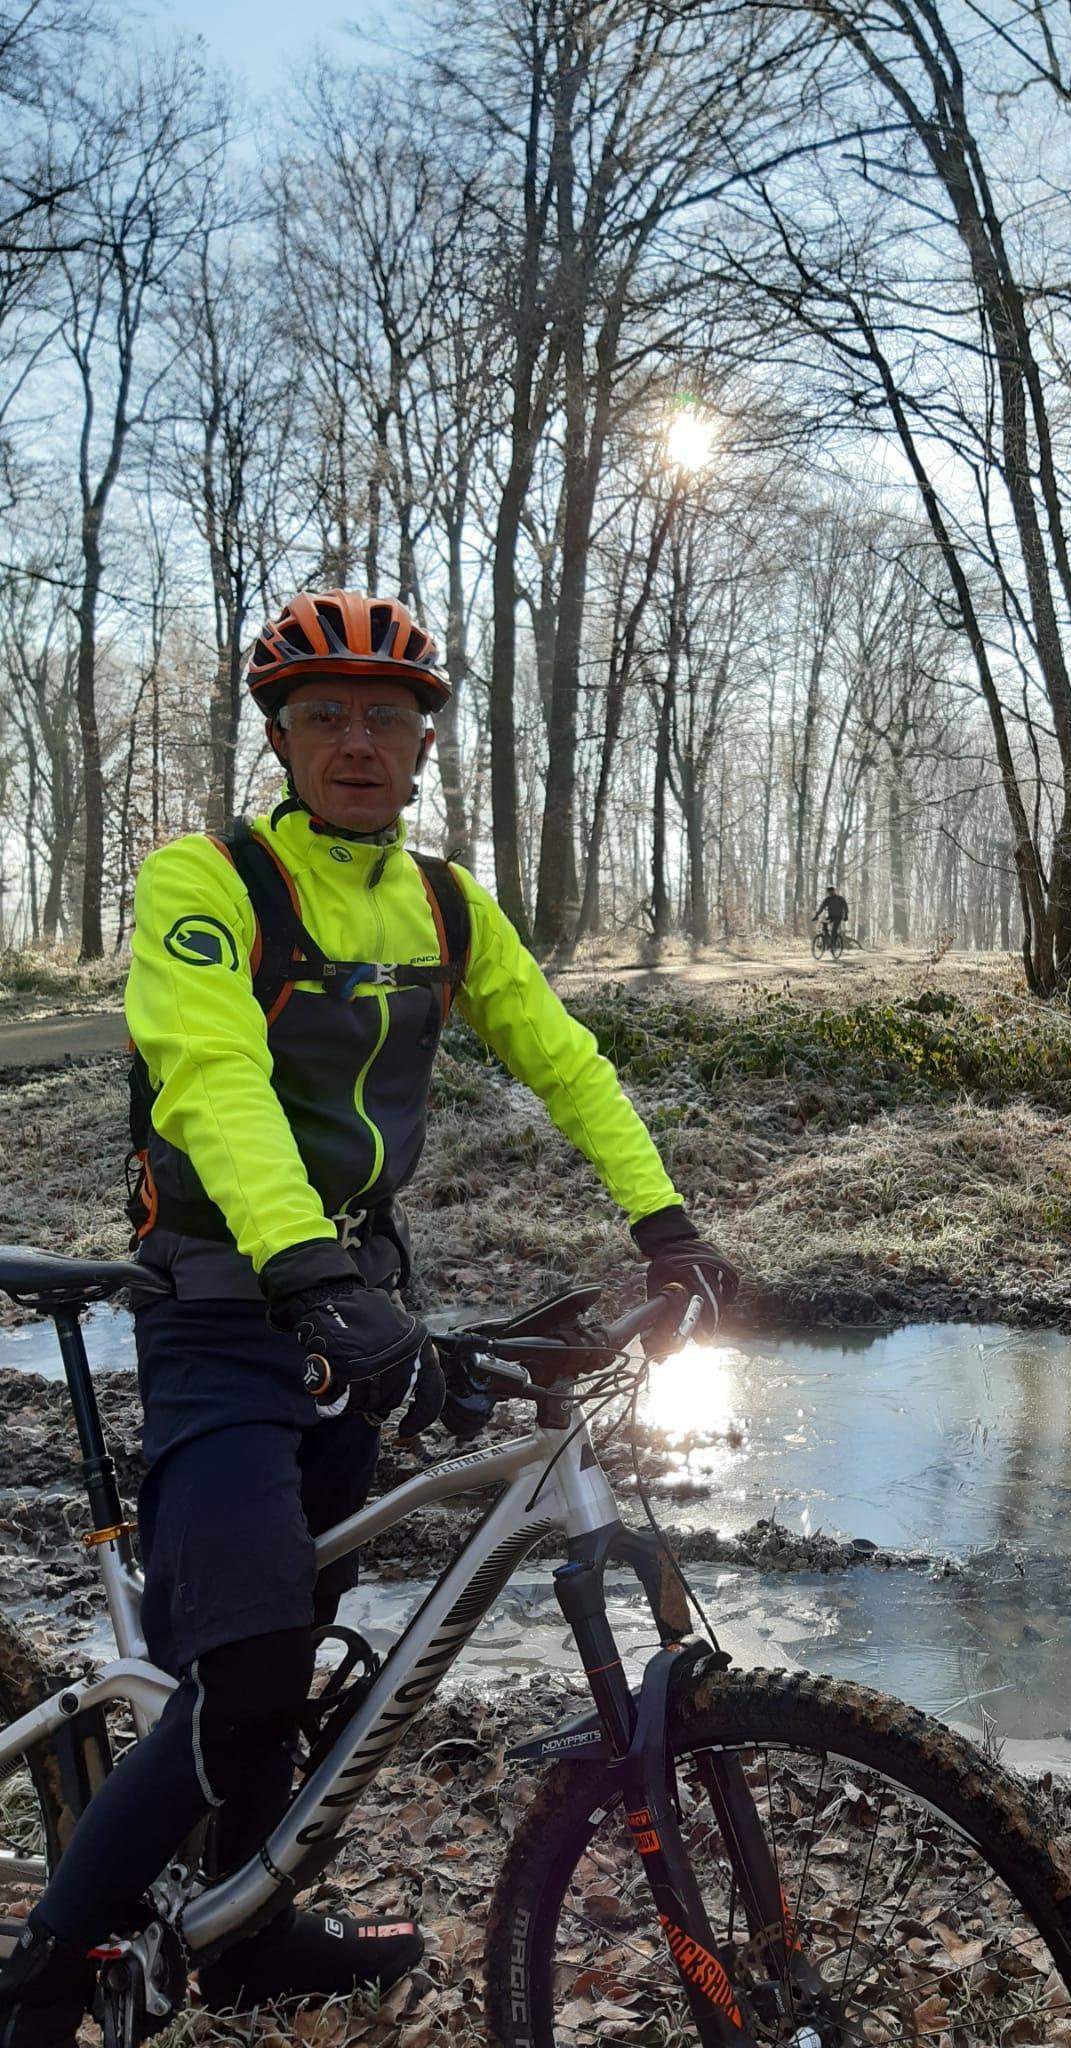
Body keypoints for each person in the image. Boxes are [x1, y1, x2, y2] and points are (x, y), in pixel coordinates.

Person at [0, 590, 739, 2047]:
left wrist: (668, 1225)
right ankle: (41, 1985)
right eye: (324, 714)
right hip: (220, 1310)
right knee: (249, 1670)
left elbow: (566, 1059)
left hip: (346, 1307)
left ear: (421, 745)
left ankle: (247, 1934)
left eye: (386, 716)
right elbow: (211, 1078)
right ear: (280, 738)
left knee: (307, 1624)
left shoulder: (447, 907)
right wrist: (309, 1272)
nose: (357, 741)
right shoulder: (206, 880)